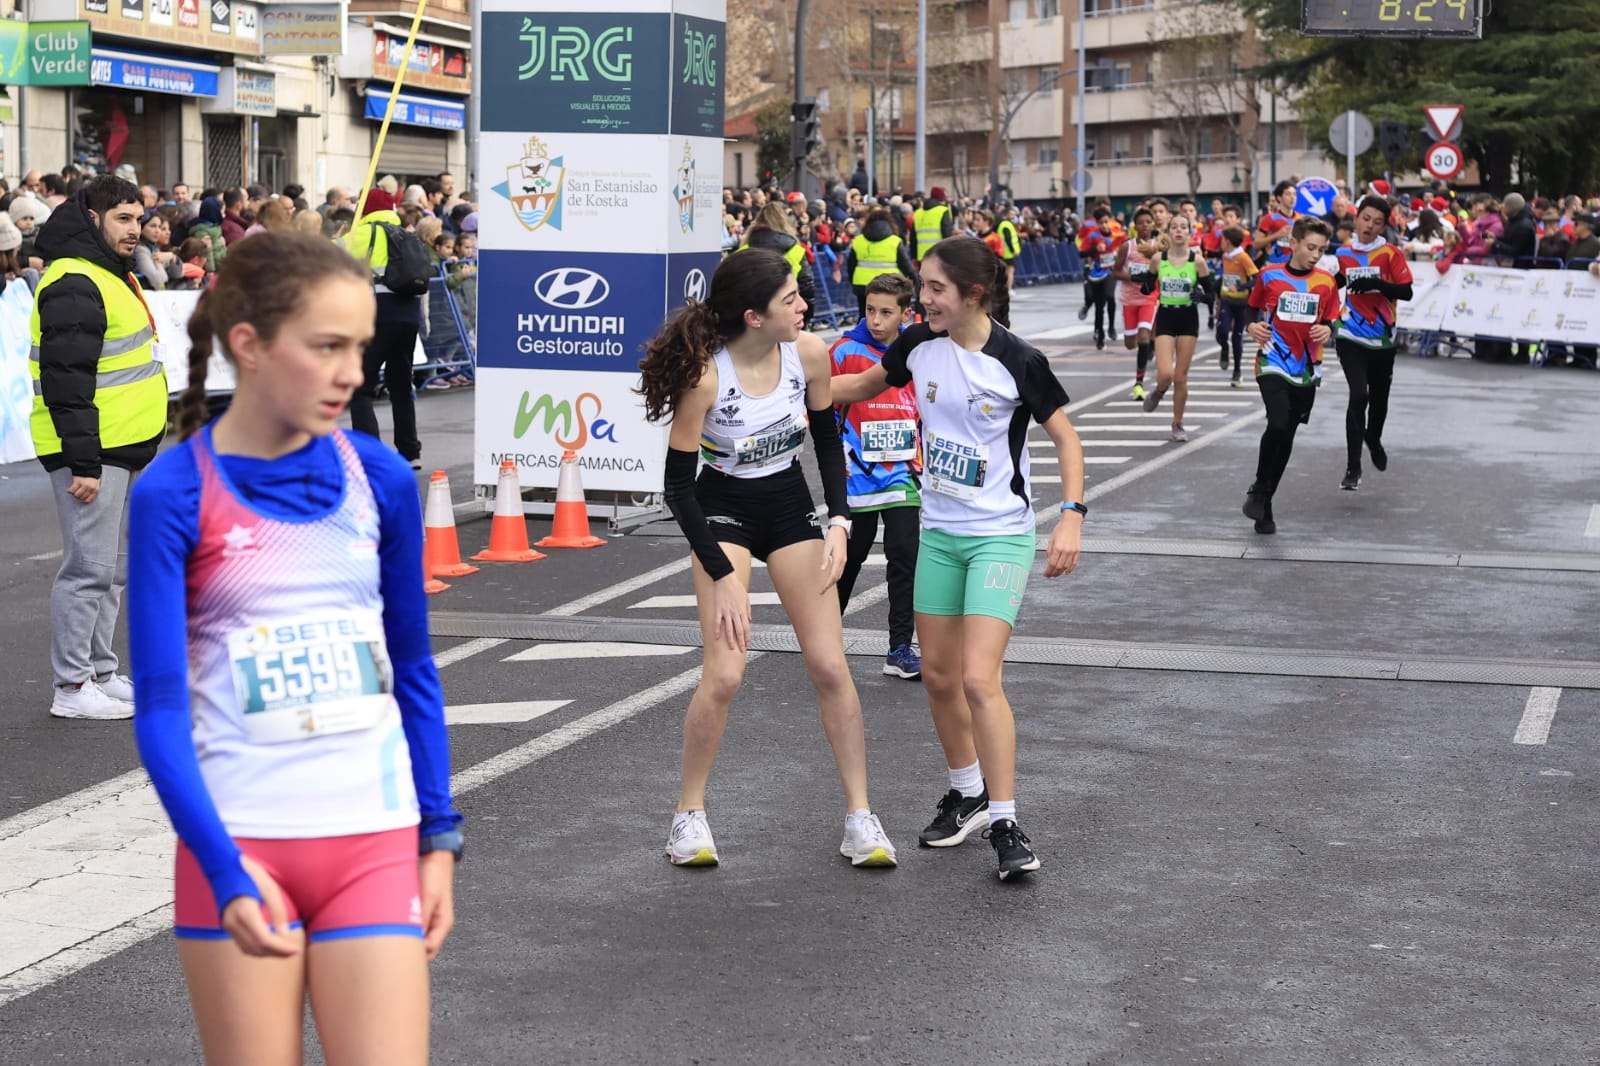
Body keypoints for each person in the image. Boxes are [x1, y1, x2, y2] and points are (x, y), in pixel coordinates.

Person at [127, 231, 461, 1065]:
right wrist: (222, 867)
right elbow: (162, 708)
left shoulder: (380, 476)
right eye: (327, 347)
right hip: (236, 845)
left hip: (373, 843)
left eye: (360, 345)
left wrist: (439, 838)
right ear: (250, 344)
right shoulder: (175, 490)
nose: (354, 370)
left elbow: (414, 671)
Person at [636, 247, 898, 870]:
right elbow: (677, 488)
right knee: (726, 672)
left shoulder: (807, 354)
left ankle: (860, 818)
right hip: (720, 508)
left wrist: (840, 520)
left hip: (787, 504)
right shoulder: (706, 376)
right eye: (791, 299)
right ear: (754, 316)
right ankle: (688, 817)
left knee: (831, 667)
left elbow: (829, 441)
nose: (804, 305)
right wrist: (724, 576)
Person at [833, 238, 1085, 882]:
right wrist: (785, 388)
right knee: (940, 679)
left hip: (1000, 535)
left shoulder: (1018, 360)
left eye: (936, 288)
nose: (924, 298)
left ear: (973, 294)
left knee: (979, 679)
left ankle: (1005, 820)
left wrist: (1072, 518)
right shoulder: (918, 345)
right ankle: (967, 792)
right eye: (923, 286)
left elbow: (1065, 436)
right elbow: (861, 384)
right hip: (938, 533)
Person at [30, 175, 170, 719]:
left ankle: (101, 672)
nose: (135, 230)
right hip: (93, 453)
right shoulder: (74, 280)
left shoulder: (109, 273)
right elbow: (68, 379)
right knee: (87, 569)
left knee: (112, 569)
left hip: (122, 446)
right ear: (93, 218)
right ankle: (71, 687)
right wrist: (83, 462)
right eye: (123, 219)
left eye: (138, 218)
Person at [829, 273, 922, 680]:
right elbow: (821, 407)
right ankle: (825, 638)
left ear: (906, 313)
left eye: (887, 312)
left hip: (902, 475)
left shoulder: (920, 351)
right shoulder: (844, 350)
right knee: (850, 559)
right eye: (870, 310)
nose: (877, 320)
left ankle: (900, 648)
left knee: (905, 557)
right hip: (856, 477)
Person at [1243, 218, 1341, 535]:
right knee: (1278, 422)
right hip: (1272, 359)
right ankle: (1260, 487)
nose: (1315, 255)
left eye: (1322, 250)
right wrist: (1251, 326)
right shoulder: (1269, 275)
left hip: (1307, 368)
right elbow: (1251, 308)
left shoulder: (1326, 282)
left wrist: (1328, 330)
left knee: (1287, 436)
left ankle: (1265, 501)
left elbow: (1332, 320)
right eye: (1311, 247)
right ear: (1293, 243)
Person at [1333, 194, 1413, 490]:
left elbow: (1406, 292)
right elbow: (1338, 282)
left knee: (1379, 399)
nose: (1369, 226)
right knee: (1358, 395)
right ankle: (1353, 468)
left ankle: (1374, 437)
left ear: (1383, 227)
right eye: (1366, 219)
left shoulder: (1390, 253)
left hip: (1382, 337)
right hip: (1350, 332)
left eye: (1377, 222)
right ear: (1356, 219)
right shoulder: (1343, 253)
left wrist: (1377, 284)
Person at [344, 188, 423, 469]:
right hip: (409, 316)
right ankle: (410, 451)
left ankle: (371, 454)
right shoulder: (407, 234)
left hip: (377, 314)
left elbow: (321, 252)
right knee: (401, 385)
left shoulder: (363, 233)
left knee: (360, 386)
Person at [1141, 214, 1211, 441]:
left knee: (1180, 377)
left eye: (1183, 227)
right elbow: (1147, 286)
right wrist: (1145, 282)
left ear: (1189, 232)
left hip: (1188, 318)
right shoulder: (1158, 259)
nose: (1179, 231)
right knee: (1166, 373)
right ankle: (1159, 391)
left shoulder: (1197, 261)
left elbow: (1211, 295)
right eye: (1175, 228)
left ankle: (1177, 423)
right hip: (1166, 317)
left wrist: (1200, 294)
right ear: (1169, 232)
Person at [1111, 206, 1159, 401]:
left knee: (1144, 335)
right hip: (1129, 300)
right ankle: (1147, 346)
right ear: (1135, 226)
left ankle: (1139, 384)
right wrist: (1132, 276)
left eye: (1148, 222)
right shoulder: (1127, 247)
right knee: (1131, 343)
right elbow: (1114, 272)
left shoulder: (1158, 247)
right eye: (1141, 223)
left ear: (1153, 224)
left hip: (1149, 298)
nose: (1145, 226)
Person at [842, 207, 915, 319]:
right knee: (887, 317)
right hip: (889, 285)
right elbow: (906, 267)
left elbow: (850, 266)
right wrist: (916, 282)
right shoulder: (894, 241)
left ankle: (863, 336)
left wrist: (853, 282)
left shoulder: (858, 241)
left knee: (864, 316)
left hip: (862, 284)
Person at [1215, 225, 1258, 387]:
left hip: (1241, 303)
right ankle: (1224, 348)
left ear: (1228, 241)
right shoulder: (1226, 256)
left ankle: (1237, 371)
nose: (1221, 242)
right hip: (1226, 300)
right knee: (1222, 331)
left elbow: (1256, 278)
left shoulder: (1243, 257)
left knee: (1237, 337)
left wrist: (1240, 287)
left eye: (1222, 240)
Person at [912, 187, 955, 265]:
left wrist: (914, 256)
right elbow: (947, 234)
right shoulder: (943, 211)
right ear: (942, 199)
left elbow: (913, 238)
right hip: (938, 254)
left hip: (921, 256)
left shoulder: (917, 213)